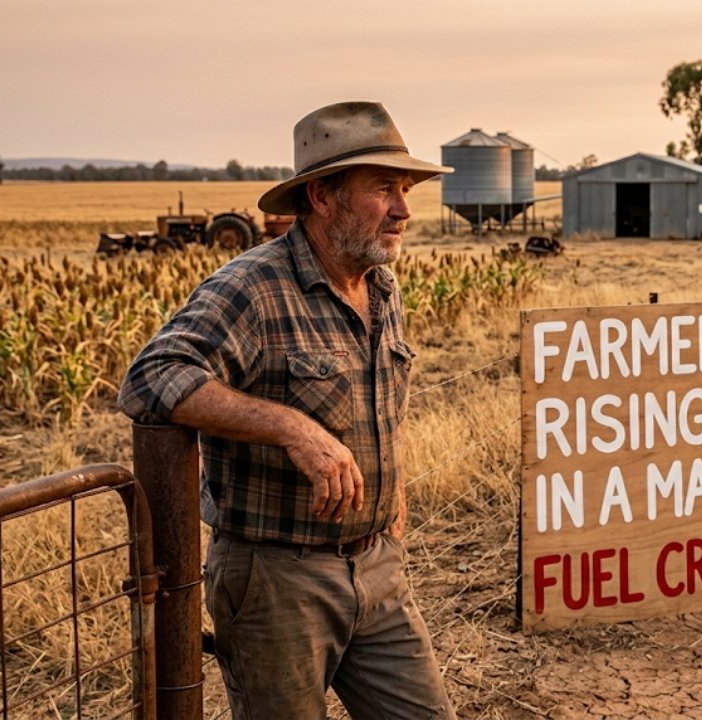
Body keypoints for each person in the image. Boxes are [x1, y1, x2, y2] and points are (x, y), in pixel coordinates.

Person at [118, 101, 456, 720]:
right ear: (323, 197)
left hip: (377, 564)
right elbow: (151, 376)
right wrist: (292, 427)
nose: (405, 209)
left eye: (406, 189)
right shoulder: (252, 287)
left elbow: (382, 399)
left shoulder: (381, 284)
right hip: (278, 580)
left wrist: (392, 493)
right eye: (384, 189)